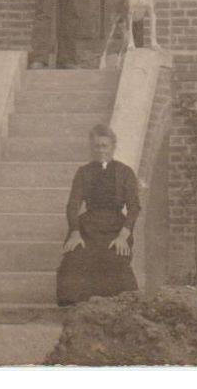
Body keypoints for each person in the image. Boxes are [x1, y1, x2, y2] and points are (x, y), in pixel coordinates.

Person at [56, 124, 141, 306]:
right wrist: (75, 232)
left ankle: (114, 310)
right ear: (91, 147)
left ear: (112, 146)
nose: (101, 150)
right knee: (74, 257)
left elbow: (134, 207)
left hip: (116, 228)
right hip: (88, 227)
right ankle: (75, 309)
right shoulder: (83, 172)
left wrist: (123, 236)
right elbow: (73, 205)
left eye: (105, 146)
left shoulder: (125, 172)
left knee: (114, 258)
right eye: (97, 146)